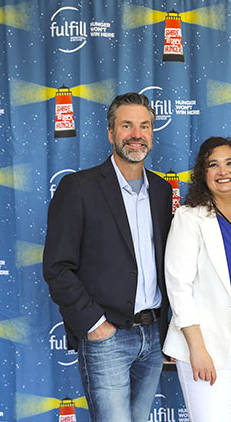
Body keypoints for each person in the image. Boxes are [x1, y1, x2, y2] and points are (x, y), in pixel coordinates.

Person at [43, 93, 173, 422]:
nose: (136, 134)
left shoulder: (161, 190)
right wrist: (96, 325)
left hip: (153, 336)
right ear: (111, 132)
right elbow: (57, 268)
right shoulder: (79, 187)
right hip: (107, 337)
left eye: (144, 126)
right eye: (127, 125)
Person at [163, 137, 231, 422]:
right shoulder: (189, 218)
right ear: (203, 173)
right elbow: (178, 286)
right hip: (209, 343)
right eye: (213, 165)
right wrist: (197, 349)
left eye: (230, 163)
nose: (223, 171)